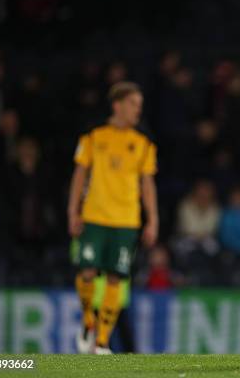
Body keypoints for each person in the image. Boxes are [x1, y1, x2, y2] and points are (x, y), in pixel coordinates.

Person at [68, 82, 158, 354]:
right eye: (133, 104)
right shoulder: (94, 137)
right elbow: (79, 175)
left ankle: (102, 341)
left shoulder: (143, 144)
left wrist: (152, 219)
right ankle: (87, 321)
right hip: (94, 216)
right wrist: (72, 211)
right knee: (87, 271)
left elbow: (147, 183)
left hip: (126, 221)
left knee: (116, 277)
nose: (137, 111)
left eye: (140, 106)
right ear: (117, 105)